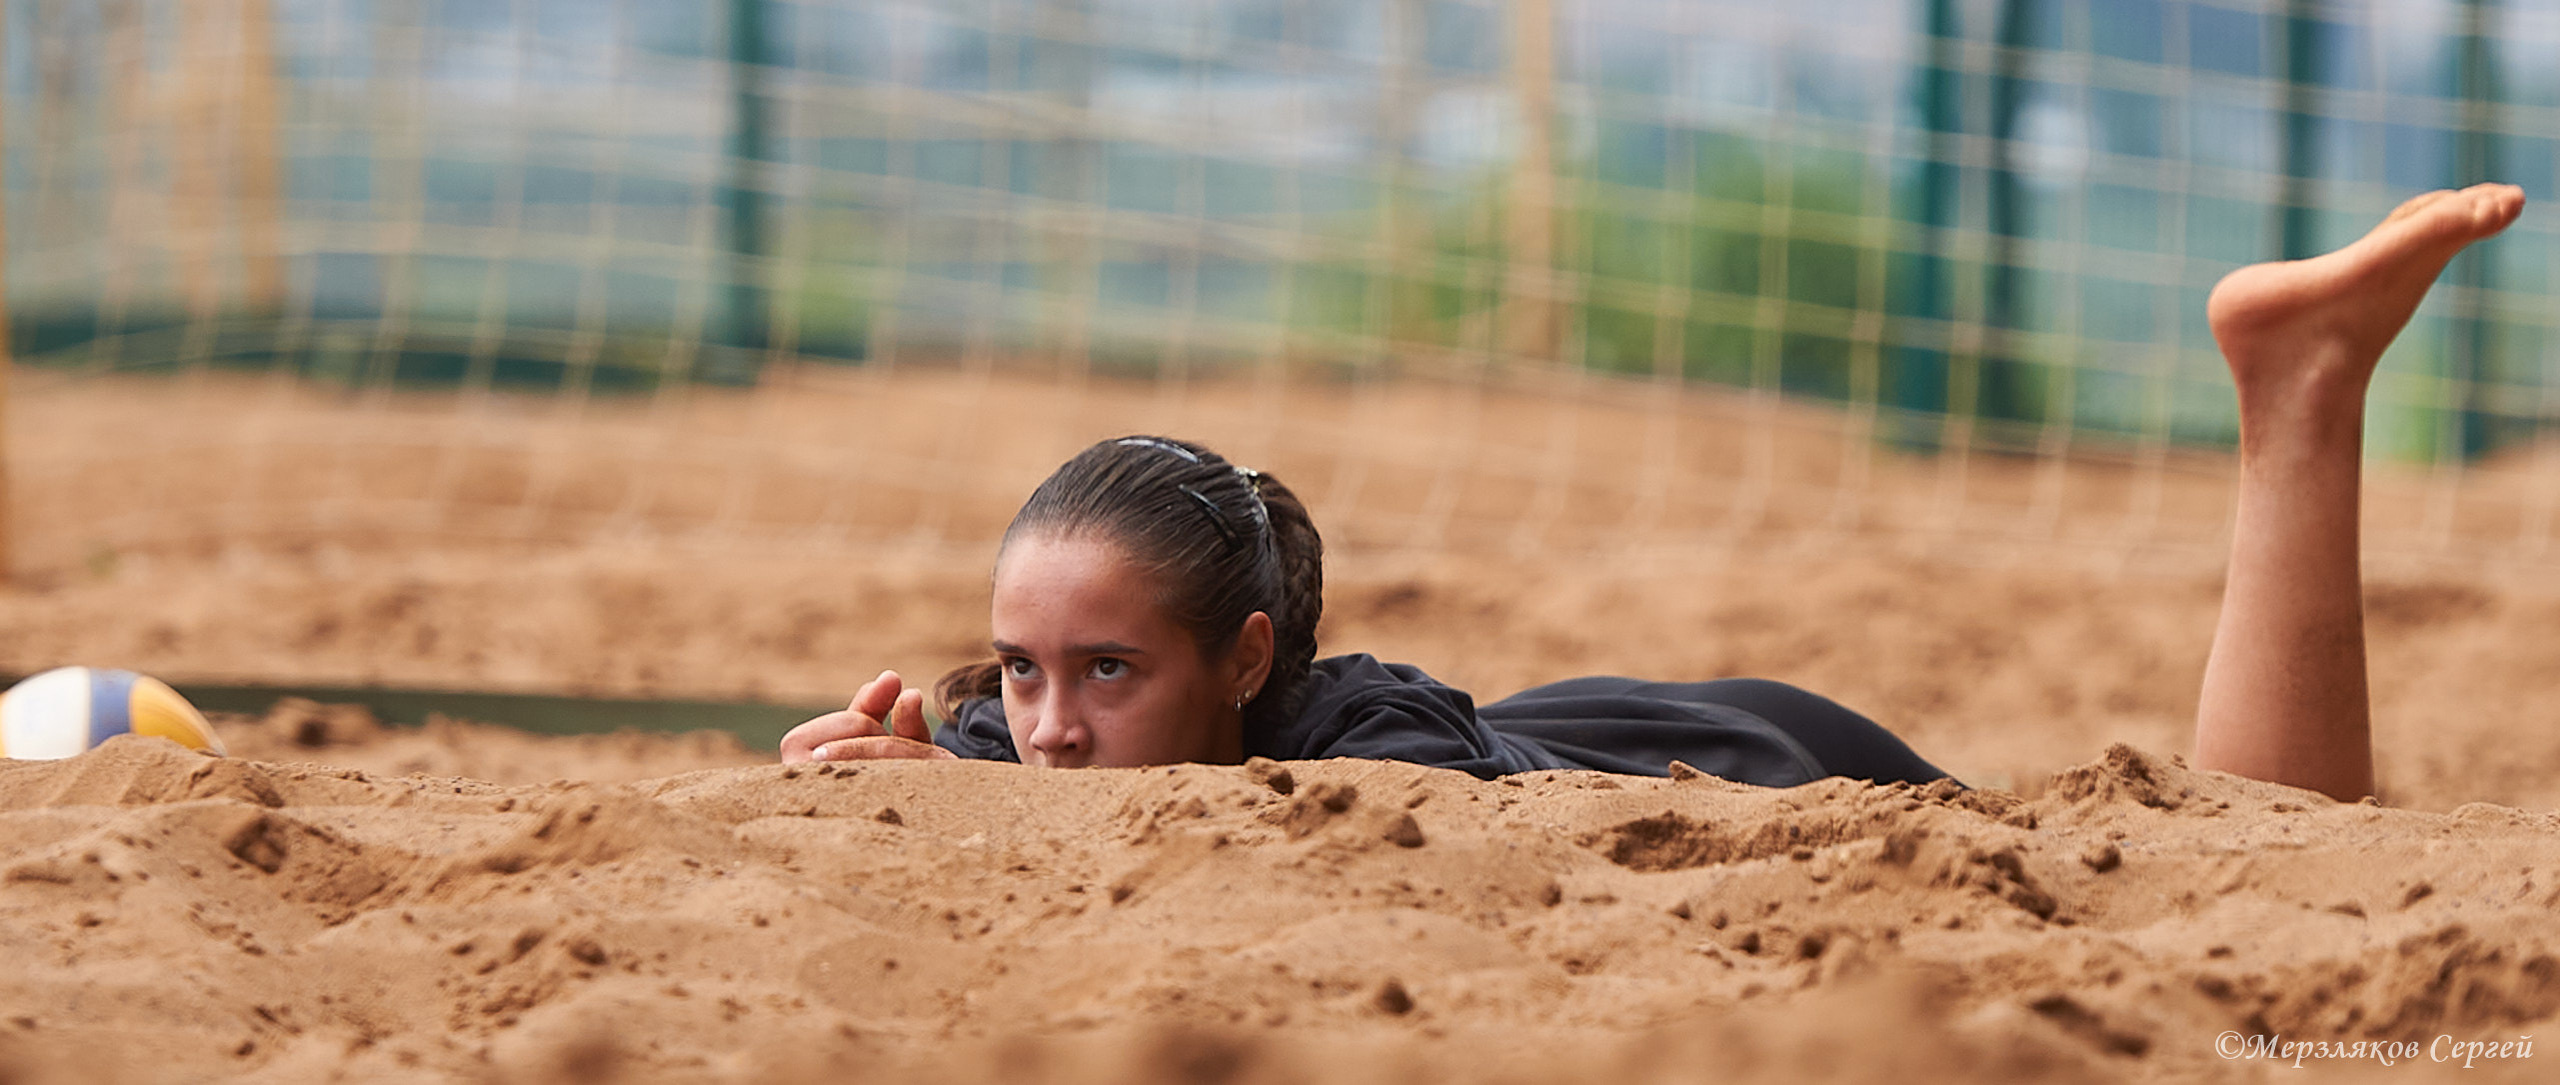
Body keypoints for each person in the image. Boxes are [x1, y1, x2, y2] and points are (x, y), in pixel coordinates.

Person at [779, 183, 2528, 803]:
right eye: (1022, 667)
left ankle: (2301, 399)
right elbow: (984, 769)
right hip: (1599, 722)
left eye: (1108, 670)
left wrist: (969, 801)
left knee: (2253, 840)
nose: (1055, 722)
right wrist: (904, 766)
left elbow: (1267, 832)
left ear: (1243, 662)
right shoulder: (1030, 754)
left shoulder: (1374, 744)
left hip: (1746, 757)